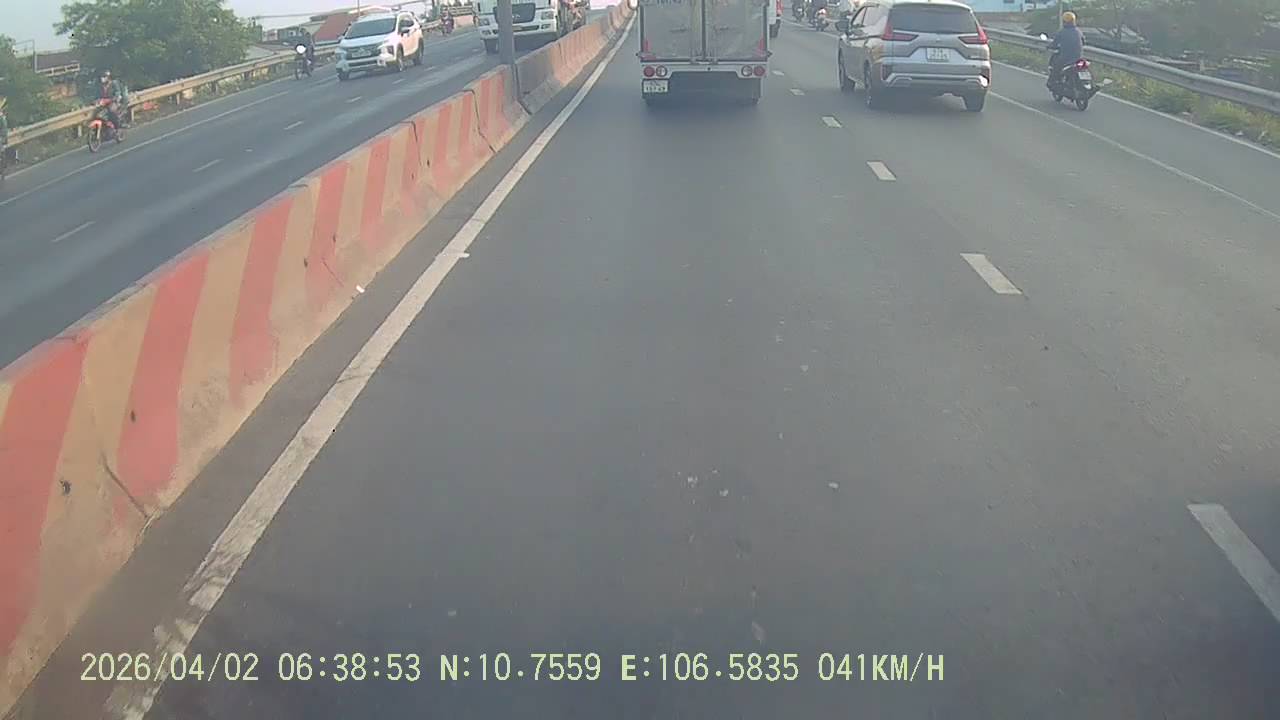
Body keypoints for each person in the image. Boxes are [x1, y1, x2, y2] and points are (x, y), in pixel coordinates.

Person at [1048, 11, 1085, 89]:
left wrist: (1049, 46)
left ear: (1064, 21)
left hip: (1066, 58)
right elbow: (1083, 42)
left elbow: (1054, 44)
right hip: (1079, 59)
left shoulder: (1062, 32)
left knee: (1056, 68)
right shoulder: (1078, 31)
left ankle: (1052, 82)